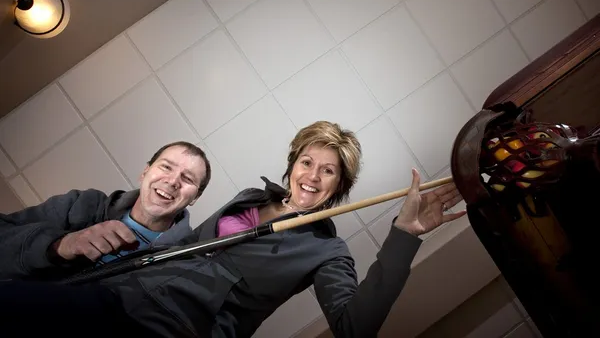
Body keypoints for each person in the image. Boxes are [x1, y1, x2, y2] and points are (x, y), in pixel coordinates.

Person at [0, 122, 464, 338]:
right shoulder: (247, 196)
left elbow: (353, 329)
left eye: (329, 172)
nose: (313, 176)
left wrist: (404, 238)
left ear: (341, 186)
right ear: (292, 165)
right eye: (307, 162)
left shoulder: (329, 253)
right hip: (113, 296)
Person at [0, 140, 211, 281]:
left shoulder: (184, 262)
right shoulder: (82, 204)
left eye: (188, 178)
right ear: (145, 172)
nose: (173, 181)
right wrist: (57, 246)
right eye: (166, 166)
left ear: (196, 197)